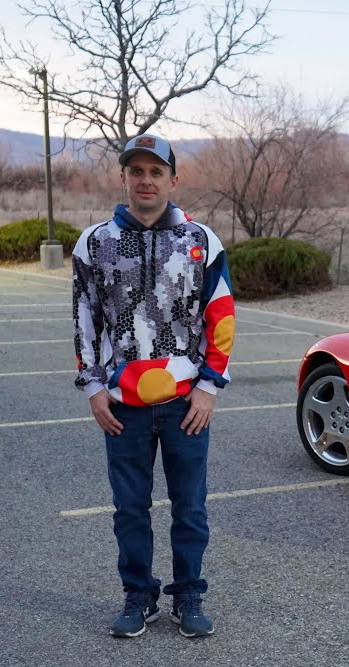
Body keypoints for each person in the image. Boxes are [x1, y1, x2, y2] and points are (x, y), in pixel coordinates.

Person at [72, 133, 235, 639]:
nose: (146, 180)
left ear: (172, 179)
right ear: (124, 178)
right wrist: (94, 388)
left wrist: (209, 386)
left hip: (187, 402)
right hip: (123, 405)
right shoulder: (95, 242)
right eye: (136, 171)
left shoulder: (201, 241)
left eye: (155, 171)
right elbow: (83, 319)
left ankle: (188, 596)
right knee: (129, 509)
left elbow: (221, 316)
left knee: (190, 507)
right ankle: (138, 597)